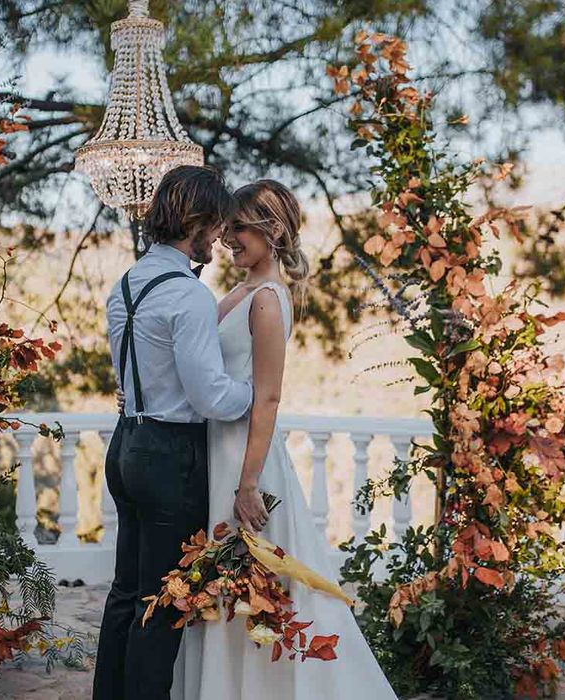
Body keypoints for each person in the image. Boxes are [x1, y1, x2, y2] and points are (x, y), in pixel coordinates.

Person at [169, 180, 399, 699]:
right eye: (226, 227)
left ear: (272, 230)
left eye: (239, 227)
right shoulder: (238, 291)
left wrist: (248, 484)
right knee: (220, 586)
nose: (227, 237)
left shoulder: (269, 300)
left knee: (256, 586)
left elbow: (268, 398)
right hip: (213, 452)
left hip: (244, 462)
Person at [92, 165, 253, 700]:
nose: (220, 237)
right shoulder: (188, 296)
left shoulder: (127, 284)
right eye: (217, 226)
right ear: (199, 223)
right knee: (162, 601)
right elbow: (210, 397)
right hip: (168, 454)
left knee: (125, 593)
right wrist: (255, 392)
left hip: (125, 446)